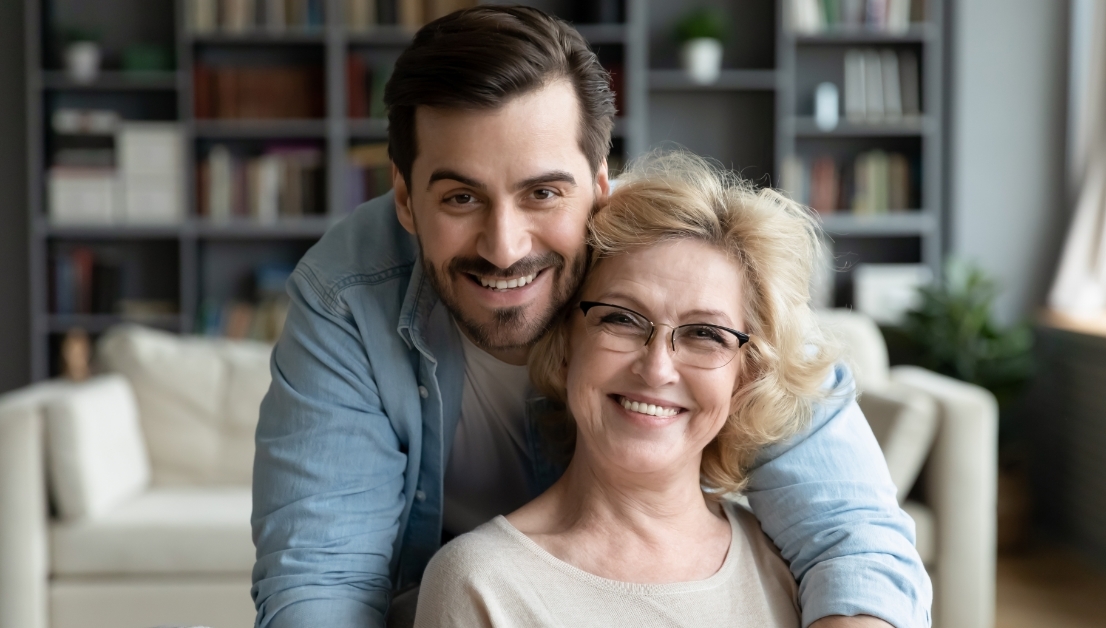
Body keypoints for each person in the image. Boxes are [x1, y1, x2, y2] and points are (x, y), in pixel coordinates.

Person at [250, 6, 931, 628]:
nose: (504, 246)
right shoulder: (346, 295)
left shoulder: (694, 267)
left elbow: (854, 535)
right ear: (404, 198)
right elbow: (321, 581)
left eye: (543, 191)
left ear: (602, 183)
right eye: (461, 197)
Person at [414, 151, 840, 626]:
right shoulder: (481, 585)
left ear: (746, 375)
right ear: (566, 341)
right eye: (620, 318)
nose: (657, 369)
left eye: (705, 334)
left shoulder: (800, 573)